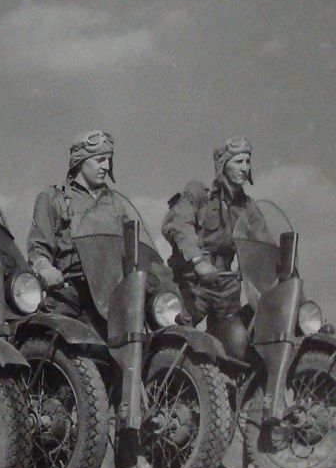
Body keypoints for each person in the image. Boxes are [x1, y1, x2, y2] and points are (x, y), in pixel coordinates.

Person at [161, 136, 270, 359]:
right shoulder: (198, 193)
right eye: (238, 162)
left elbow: (264, 244)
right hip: (192, 284)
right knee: (177, 341)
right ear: (223, 165)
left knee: (237, 349)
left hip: (227, 286)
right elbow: (179, 224)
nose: (245, 168)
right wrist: (198, 261)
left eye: (248, 162)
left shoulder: (248, 207)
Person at [25, 129, 136, 319]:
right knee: (53, 329)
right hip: (70, 288)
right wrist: (45, 268)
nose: (106, 166)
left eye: (109, 159)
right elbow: (38, 247)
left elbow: (133, 249)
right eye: (100, 160)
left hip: (113, 291)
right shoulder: (55, 199)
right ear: (80, 160)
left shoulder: (116, 203)